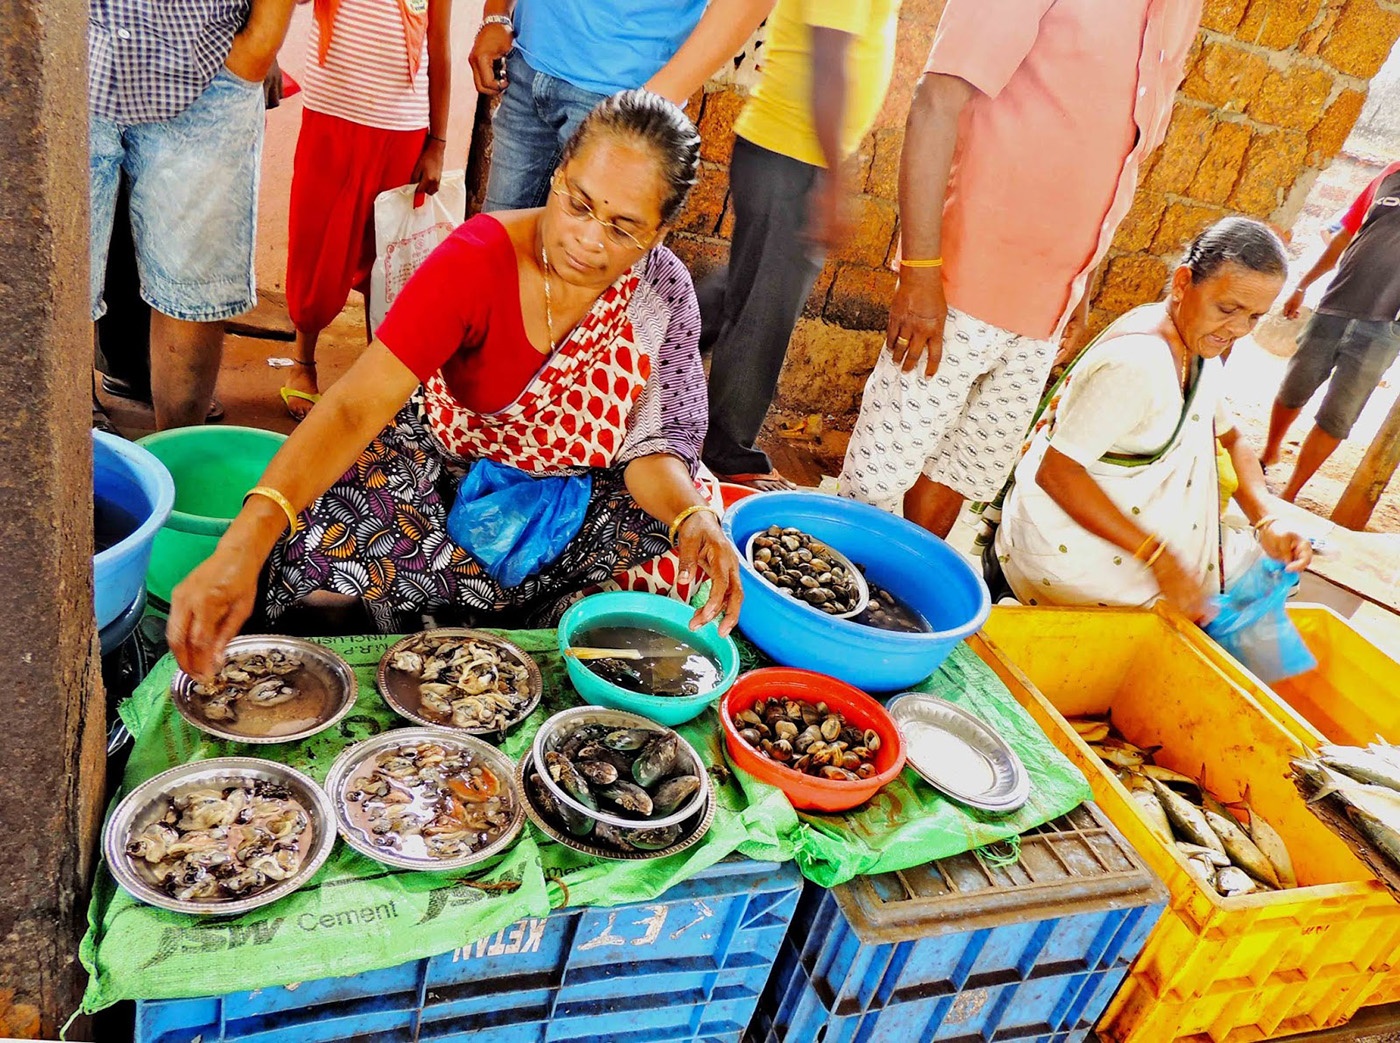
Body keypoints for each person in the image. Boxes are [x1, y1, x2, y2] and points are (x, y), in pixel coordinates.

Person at [168, 92, 743, 678]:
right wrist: (244, 542)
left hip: (577, 496)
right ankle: (513, 614)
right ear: (559, 173)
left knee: (688, 539)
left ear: (661, 231)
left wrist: (687, 518)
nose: (589, 239)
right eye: (579, 204)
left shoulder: (659, 292)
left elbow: (653, 452)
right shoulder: (475, 260)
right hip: (447, 471)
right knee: (320, 575)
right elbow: (351, 410)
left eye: (623, 228)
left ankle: (540, 617)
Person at [839, 0, 1202, 537]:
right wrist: (919, 274)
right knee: (878, 476)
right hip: (959, 284)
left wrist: (1080, 287)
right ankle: (821, 616)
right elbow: (936, 99)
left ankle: (896, 609)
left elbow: (1118, 154)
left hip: (1048, 305)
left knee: (959, 473)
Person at [987, 219, 1312, 620]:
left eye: (1254, 318)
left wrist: (1267, 519)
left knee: (1269, 576)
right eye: (1228, 309)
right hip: (1068, 552)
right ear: (1181, 283)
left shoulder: (1197, 346)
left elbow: (1232, 440)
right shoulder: (1138, 364)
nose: (1238, 329)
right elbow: (1056, 472)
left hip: (1133, 542)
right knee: (1201, 610)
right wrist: (1159, 559)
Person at [699, 0, 900, 490]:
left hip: (786, 153)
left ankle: (642, 353)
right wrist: (833, 179)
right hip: (792, 155)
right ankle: (725, 454)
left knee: (746, 292)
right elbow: (828, 60)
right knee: (764, 309)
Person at [89, 0, 297, 430]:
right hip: (54, 58)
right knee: (47, 285)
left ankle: (177, 460)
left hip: (208, 63)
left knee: (193, 291)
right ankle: (70, 443)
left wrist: (261, 41)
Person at [279, 0, 454, 419]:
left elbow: (439, 42)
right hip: (331, 118)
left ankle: (380, 368)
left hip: (402, 128)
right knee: (317, 241)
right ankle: (303, 360)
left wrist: (438, 142)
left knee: (389, 253)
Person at [469, 0, 773, 212]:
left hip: (621, 99)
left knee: (581, 279)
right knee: (495, 258)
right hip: (527, 63)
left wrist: (649, 105)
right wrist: (497, 13)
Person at [1262, 159, 1400, 502]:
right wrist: (1304, 284)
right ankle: (1269, 453)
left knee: (1339, 413)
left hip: (1386, 323)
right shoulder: (1390, 173)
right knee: (1295, 385)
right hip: (1337, 299)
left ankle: (1291, 492)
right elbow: (1344, 236)